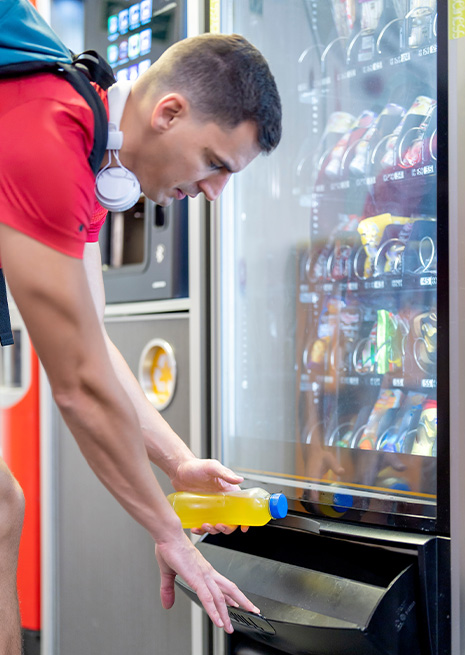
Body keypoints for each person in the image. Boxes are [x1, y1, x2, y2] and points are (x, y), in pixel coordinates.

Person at [0, 31, 282, 652]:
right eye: (214, 163)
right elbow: (77, 386)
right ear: (169, 113)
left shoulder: (93, 137)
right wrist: (169, 531)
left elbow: (93, 344)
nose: (214, 191)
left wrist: (179, 464)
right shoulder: (52, 135)